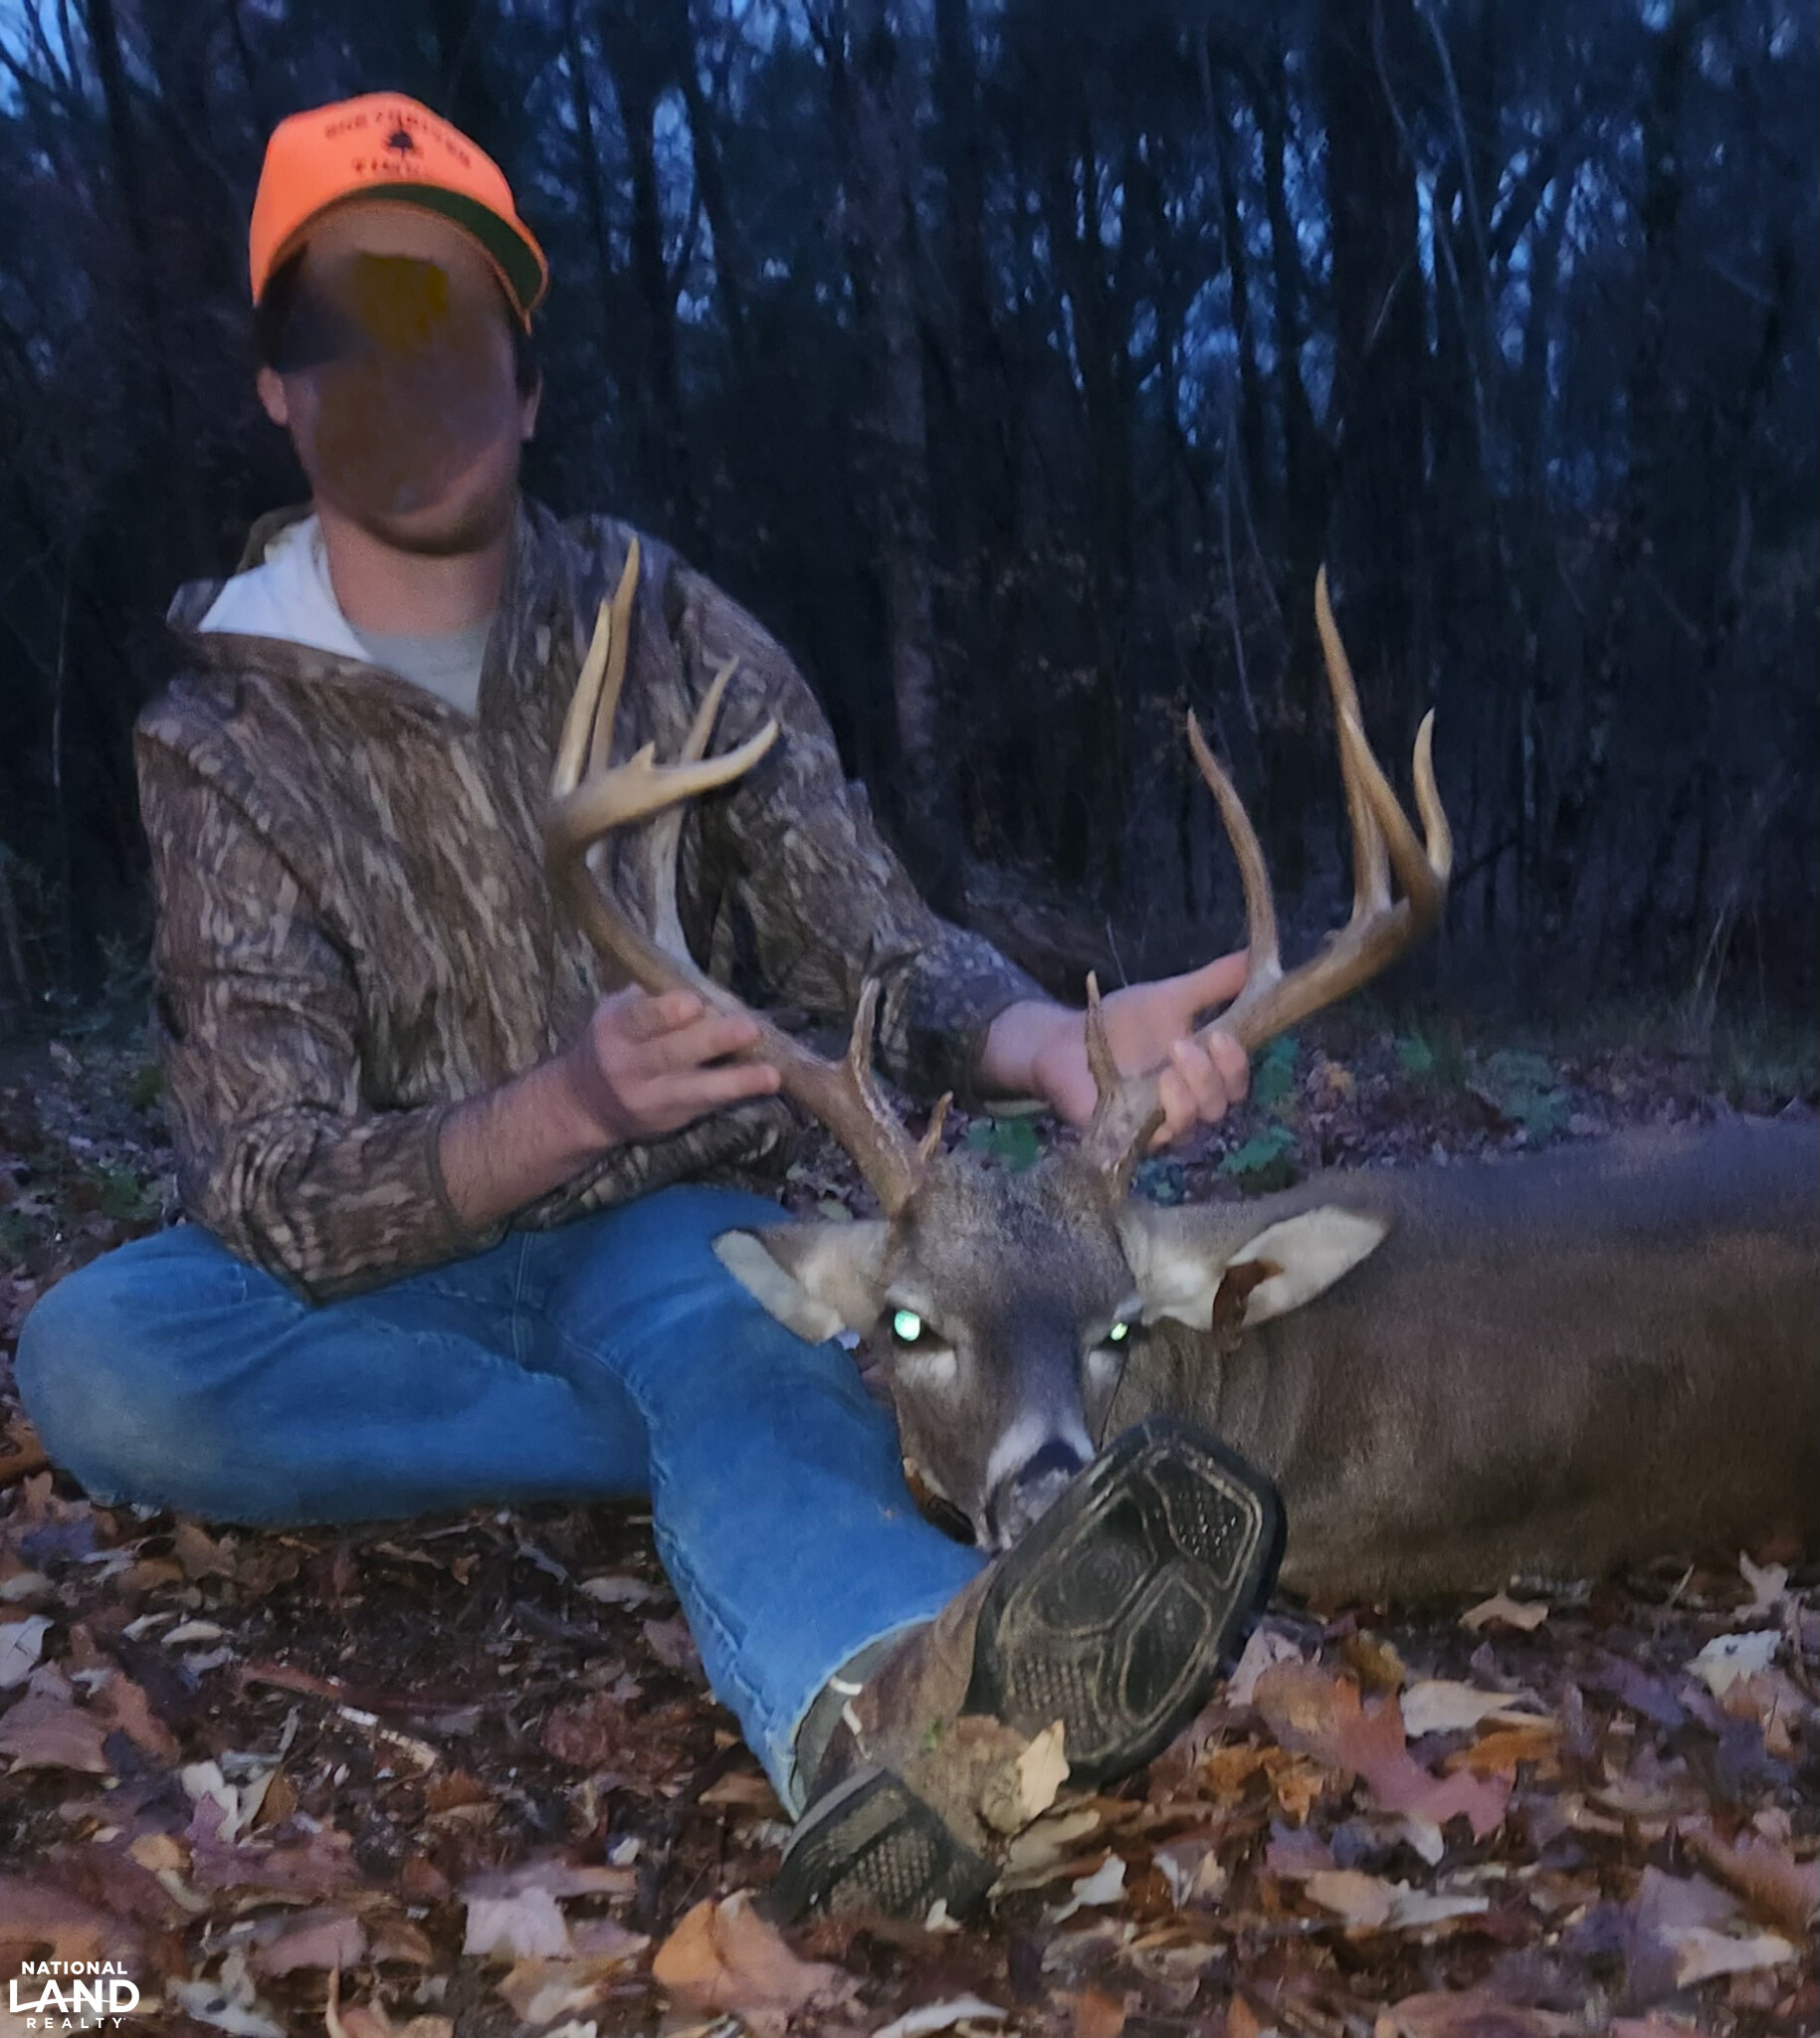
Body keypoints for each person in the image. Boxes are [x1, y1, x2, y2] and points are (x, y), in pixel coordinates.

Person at [15, 94, 1279, 1920]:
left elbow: (869, 940)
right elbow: (265, 1178)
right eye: (352, 330)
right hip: (370, 1282)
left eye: (451, 327)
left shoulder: (674, 629)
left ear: (523, 383)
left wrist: (1052, 1047)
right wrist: (567, 1106)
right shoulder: (220, 733)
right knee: (94, 1359)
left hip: (664, 1229)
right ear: (280, 390)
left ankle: (901, 1701)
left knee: (716, 1319)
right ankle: (717, 1434)